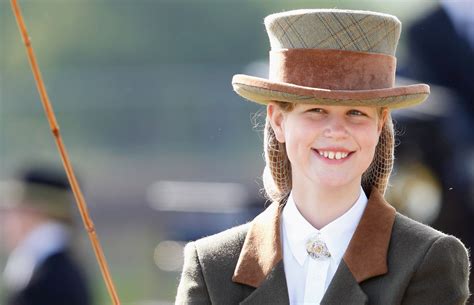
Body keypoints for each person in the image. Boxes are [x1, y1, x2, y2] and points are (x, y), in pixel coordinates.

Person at [175, 9, 470, 305]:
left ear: (380, 125)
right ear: (278, 120)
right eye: (316, 110)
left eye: (356, 113)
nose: (337, 131)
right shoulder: (211, 266)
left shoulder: (428, 260)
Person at [0, 167, 92, 305]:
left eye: (11, 211)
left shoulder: (54, 277)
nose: (4, 220)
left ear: (33, 211)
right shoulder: (43, 268)